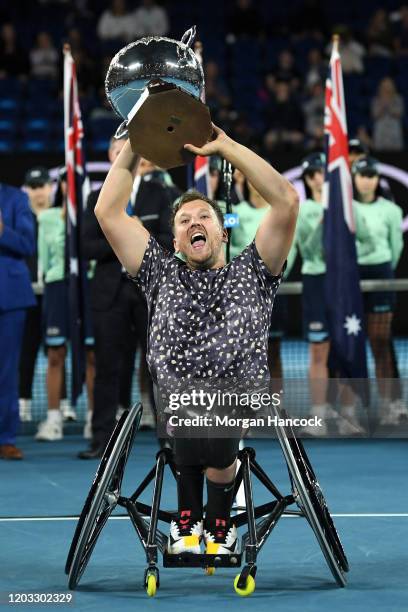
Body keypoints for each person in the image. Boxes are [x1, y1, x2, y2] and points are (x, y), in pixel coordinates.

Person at [93, 124, 298, 555]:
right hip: (176, 402)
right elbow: (108, 212)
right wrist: (138, 139)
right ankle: (197, 519)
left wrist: (225, 146)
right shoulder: (159, 272)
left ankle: (208, 519)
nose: (194, 223)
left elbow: (285, 200)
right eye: (184, 220)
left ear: (222, 232)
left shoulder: (255, 271)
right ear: (176, 240)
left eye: (204, 215)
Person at [78, 137, 173, 459]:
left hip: (149, 293)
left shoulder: (159, 193)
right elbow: (86, 246)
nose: (123, 156)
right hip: (109, 295)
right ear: (110, 156)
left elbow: (168, 240)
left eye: (128, 151)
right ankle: (102, 441)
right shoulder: (96, 198)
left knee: (160, 367)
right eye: (117, 152)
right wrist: (125, 234)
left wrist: (131, 234)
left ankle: (172, 439)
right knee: (107, 368)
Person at [287, 153, 372, 436]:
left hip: (343, 283)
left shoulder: (350, 209)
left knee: (346, 345)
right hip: (316, 281)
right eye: (315, 174)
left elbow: (366, 243)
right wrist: (326, 218)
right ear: (309, 179)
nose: (320, 178)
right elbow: (310, 249)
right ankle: (319, 416)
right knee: (318, 350)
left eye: (323, 172)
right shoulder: (304, 210)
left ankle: (348, 415)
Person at [35, 170, 95, 441]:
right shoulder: (47, 218)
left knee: (92, 355)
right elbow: (44, 260)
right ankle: (53, 419)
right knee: (55, 353)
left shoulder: (94, 215)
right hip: (58, 287)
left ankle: (94, 420)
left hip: (88, 287)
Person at [352, 156, 408, 425]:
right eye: (363, 175)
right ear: (354, 178)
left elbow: (395, 248)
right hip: (351, 278)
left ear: (377, 179)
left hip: (381, 274)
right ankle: (351, 409)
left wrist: (382, 269)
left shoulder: (391, 210)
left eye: (371, 176)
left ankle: (388, 406)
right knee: (349, 344)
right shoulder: (345, 208)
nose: (367, 180)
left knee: (380, 342)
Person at [0, 183, 35, 460]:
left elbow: (28, 243)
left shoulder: (16, 198)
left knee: (7, 371)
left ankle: (6, 438)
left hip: (9, 298)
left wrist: (2, 231)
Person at [19, 167, 53, 423]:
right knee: (26, 349)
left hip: (54, 291)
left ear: (50, 187)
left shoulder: (62, 217)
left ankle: (63, 404)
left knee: (57, 350)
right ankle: (24, 402)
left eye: (42, 185)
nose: (38, 191)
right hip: (28, 293)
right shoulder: (21, 219)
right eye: (33, 187)